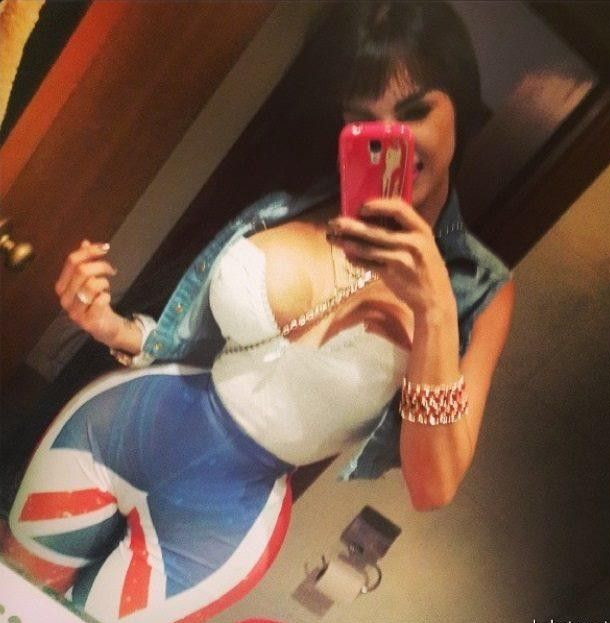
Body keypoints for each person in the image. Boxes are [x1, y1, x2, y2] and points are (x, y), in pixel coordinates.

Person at [1, 2, 514, 621]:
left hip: (222, 518)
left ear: (461, 108)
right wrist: (113, 328)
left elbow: (433, 486)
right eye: (363, 120)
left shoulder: (478, 290)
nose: (390, 141)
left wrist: (433, 309)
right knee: (11, 591)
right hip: (117, 426)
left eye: (414, 114)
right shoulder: (286, 206)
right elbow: (203, 345)